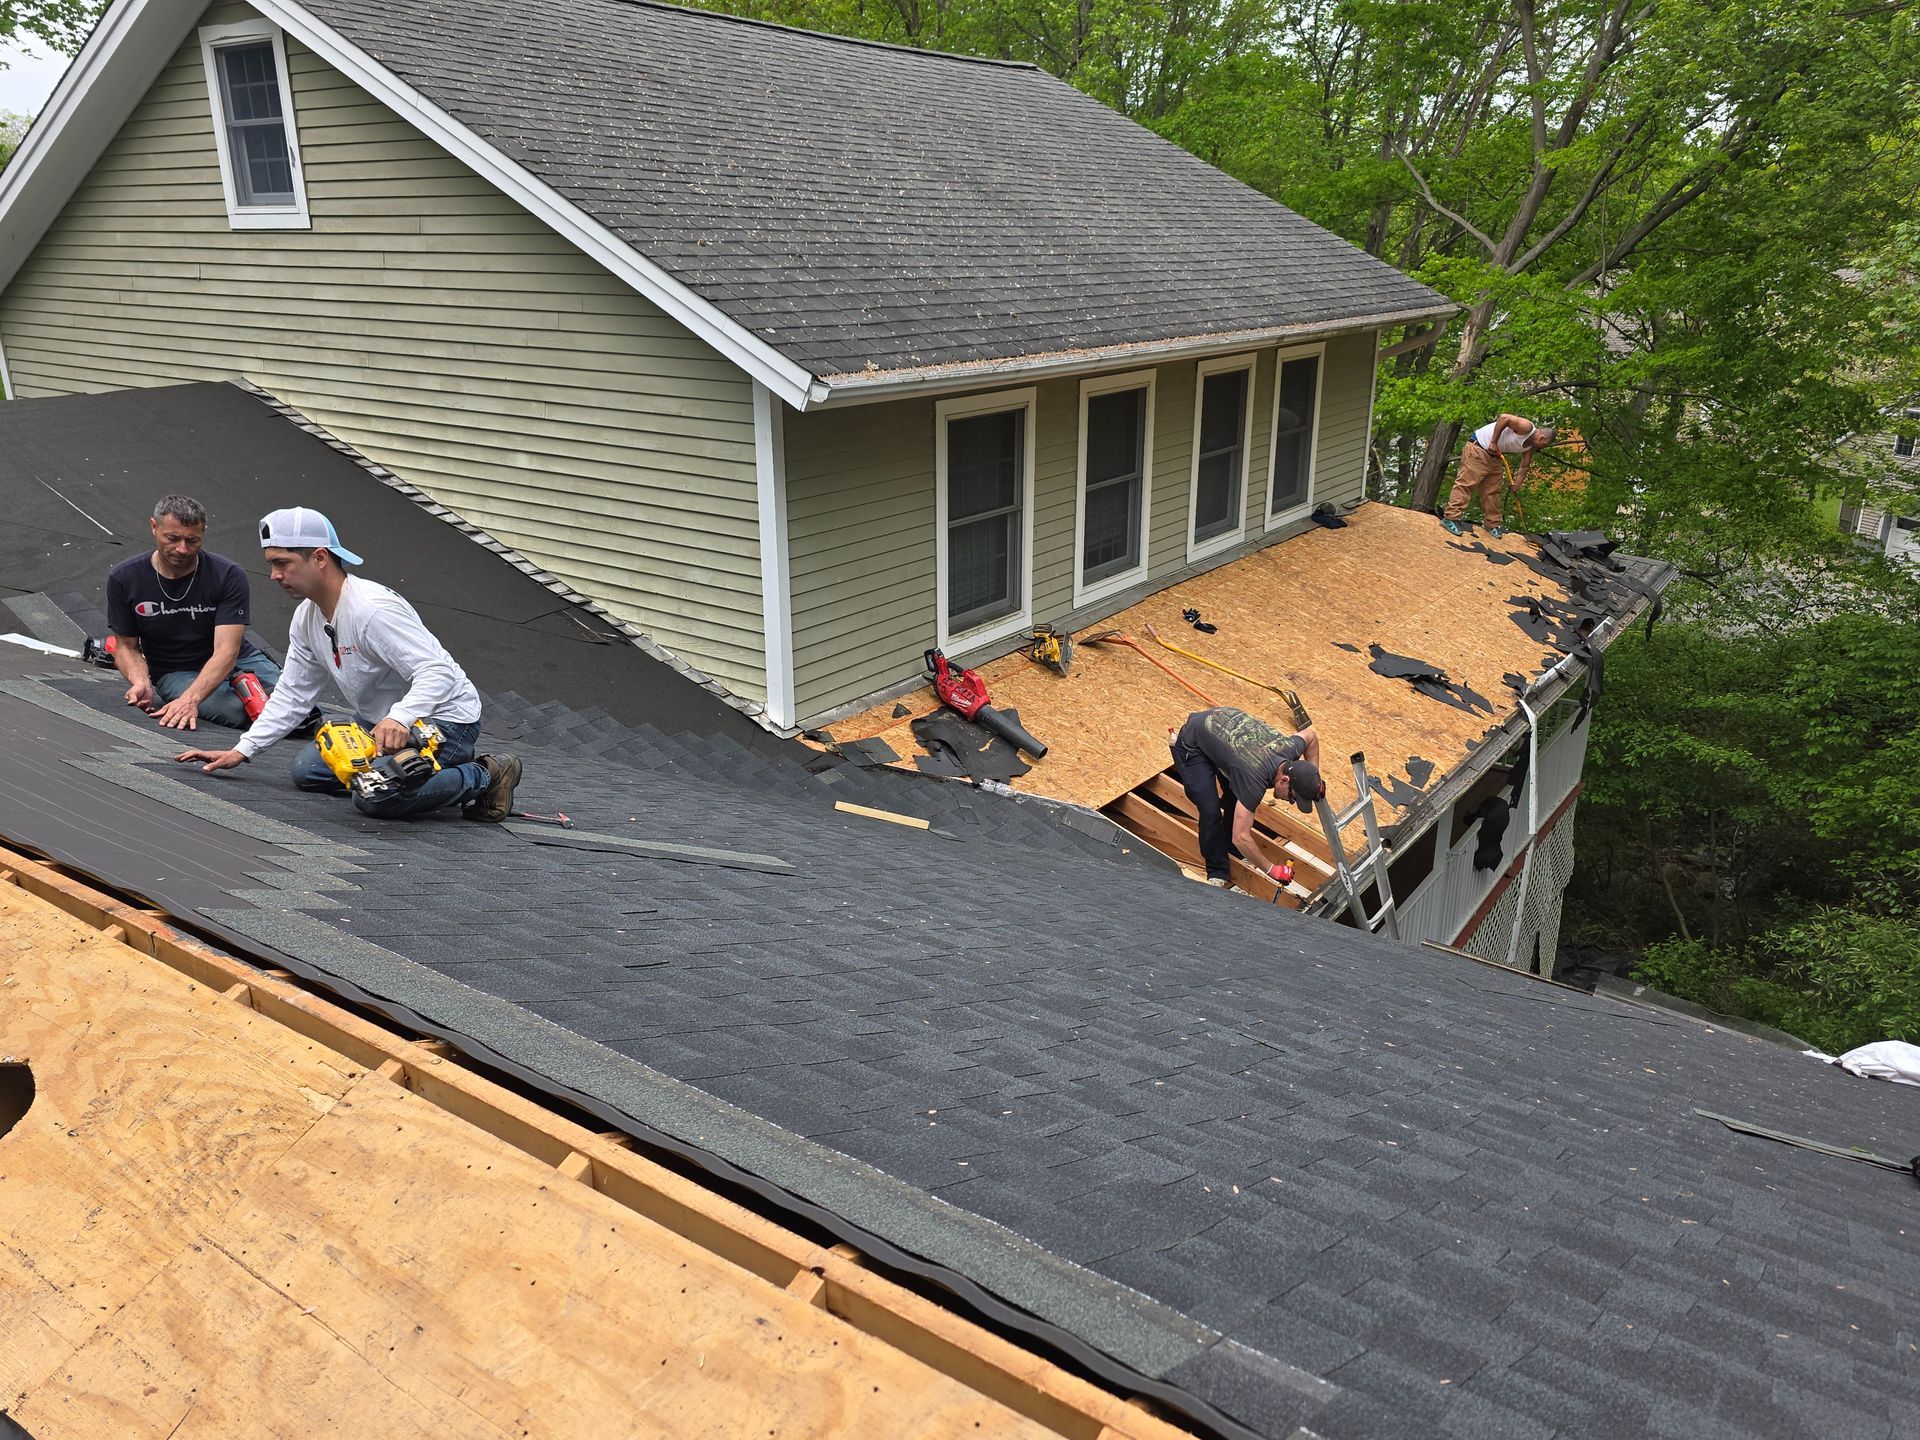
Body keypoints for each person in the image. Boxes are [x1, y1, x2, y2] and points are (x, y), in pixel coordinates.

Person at [176, 506, 522, 823]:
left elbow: (438, 673)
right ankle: (412, 772)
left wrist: (399, 716)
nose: (274, 575)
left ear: (320, 557)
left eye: (282, 563)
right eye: (271, 564)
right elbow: (294, 693)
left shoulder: (372, 610)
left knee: (375, 799)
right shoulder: (307, 618)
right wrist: (242, 750)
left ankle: (485, 774)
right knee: (308, 772)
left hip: (443, 720)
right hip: (379, 723)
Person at [105, 494, 281, 730]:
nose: (182, 549)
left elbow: (227, 651)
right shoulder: (124, 577)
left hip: (238, 659)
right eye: (172, 538)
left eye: (193, 541)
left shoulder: (227, 574)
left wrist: (190, 700)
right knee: (240, 714)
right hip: (176, 670)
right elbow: (126, 646)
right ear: (154, 527)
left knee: (300, 705)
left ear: (203, 532)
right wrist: (141, 681)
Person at [1170, 707, 1325, 889]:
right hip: (1193, 743)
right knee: (1210, 810)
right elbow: (1241, 837)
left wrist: (1313, 775)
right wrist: (1272, 870)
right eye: (1292, 797)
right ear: (1284, 780)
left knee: (1236, 797)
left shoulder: (1290, 748)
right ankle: (1217, 870)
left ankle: (1230, 849)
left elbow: (1310, 736)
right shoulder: (1254, 780)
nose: (1290, 802)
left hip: (1222, 731)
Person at [1441, 414, 1555, 538]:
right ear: (1542, 438)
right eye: (1544, 445)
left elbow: (1524, 466)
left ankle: (1492, 524)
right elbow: (1504, 417)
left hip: (1494, 456)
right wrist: (1494, 441)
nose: (1541, 448)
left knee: (1493, 490)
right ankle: (1450, 517)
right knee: (1467, 484)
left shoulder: (1529, 446)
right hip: (1478, 447)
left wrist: (1518, 482)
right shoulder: (1526, 427)